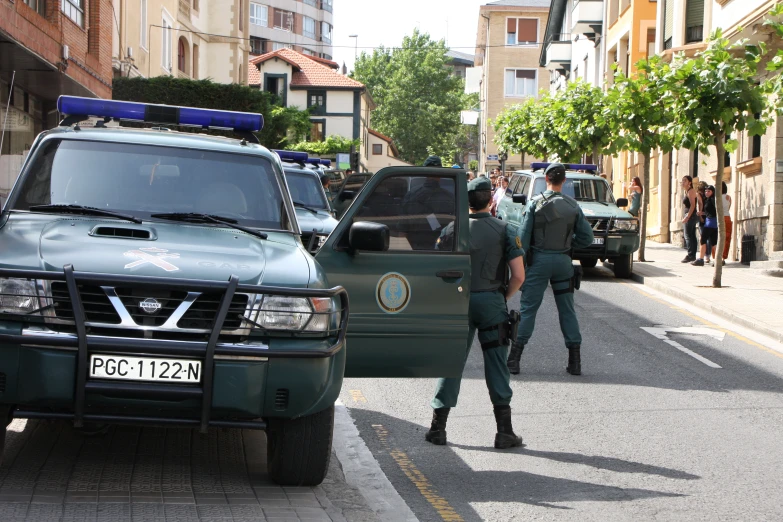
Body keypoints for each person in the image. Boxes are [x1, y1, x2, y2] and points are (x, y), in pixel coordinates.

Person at [426, 177, 526, 449]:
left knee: (451, 363)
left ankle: (438, 428)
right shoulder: (505, 229)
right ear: (491, 200)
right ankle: (504, 432)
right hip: (491, 302)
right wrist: (501, 297)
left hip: (458, 303)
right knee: (496, 364)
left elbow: (436, 270)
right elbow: (518, 275)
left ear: (466, 202)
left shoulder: (450, 229)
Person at [506, 163, 595, 376]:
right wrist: (568, 242)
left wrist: (522, 264)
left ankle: (514, 359)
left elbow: (523, 239)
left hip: (539, 262)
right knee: (567, 310)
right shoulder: (573, 205)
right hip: (563, 262)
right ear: (564, 181)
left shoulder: (535, 204)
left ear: (546, 179)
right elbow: (588, 238)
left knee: (528, 310)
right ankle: (575, 362)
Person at [692, 185, 719, 266]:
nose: (706, 193)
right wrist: (702, 213)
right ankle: (717, 260)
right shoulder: (709, 200)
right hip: (713, 223)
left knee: (703, 240)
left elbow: (715, 211)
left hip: (710, 223)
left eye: (709, 191)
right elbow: (710, 212)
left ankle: (701, 259)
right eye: (706, 191)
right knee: (714, 242)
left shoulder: (712, 200)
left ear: (712, 192)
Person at [681, 176, 699, 263]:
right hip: (690, 215)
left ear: (689, 183)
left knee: (688, 236)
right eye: (682, 181)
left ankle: (690, 255)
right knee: (691, 235)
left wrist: (687, 216)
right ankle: (692, 255)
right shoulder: (687, 191)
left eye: (685, 181)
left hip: (690, 216)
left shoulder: (691, 191)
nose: (683, 182)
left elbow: (693, 205)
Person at [722, 182, 732, 262]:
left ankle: (716, 256)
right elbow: (728, 208)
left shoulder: (716, 197)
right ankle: (723, 257)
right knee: (727, 238)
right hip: (727, 217)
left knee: (717, 237)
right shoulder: (728, 197)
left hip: (719, 217)